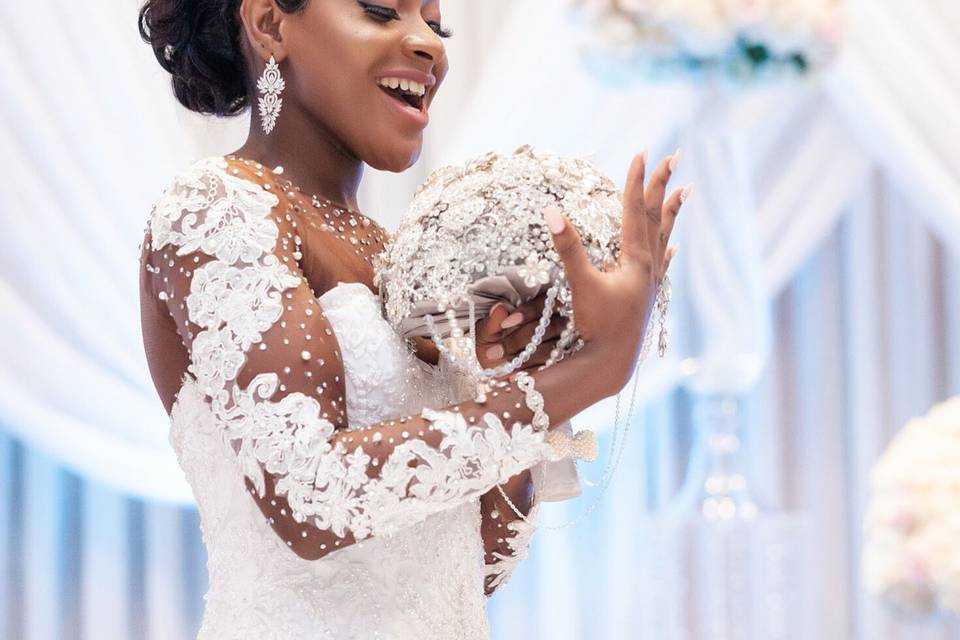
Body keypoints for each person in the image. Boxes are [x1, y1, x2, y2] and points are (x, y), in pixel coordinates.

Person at [137, 0, 685, 637]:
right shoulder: (215, 208)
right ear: (269, 24)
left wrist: (530, 369)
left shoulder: (391, 253)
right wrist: (598, 370)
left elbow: (468, 562)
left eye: (436, 22)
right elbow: (312, 499)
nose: (429, 44)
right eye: (380, 11)